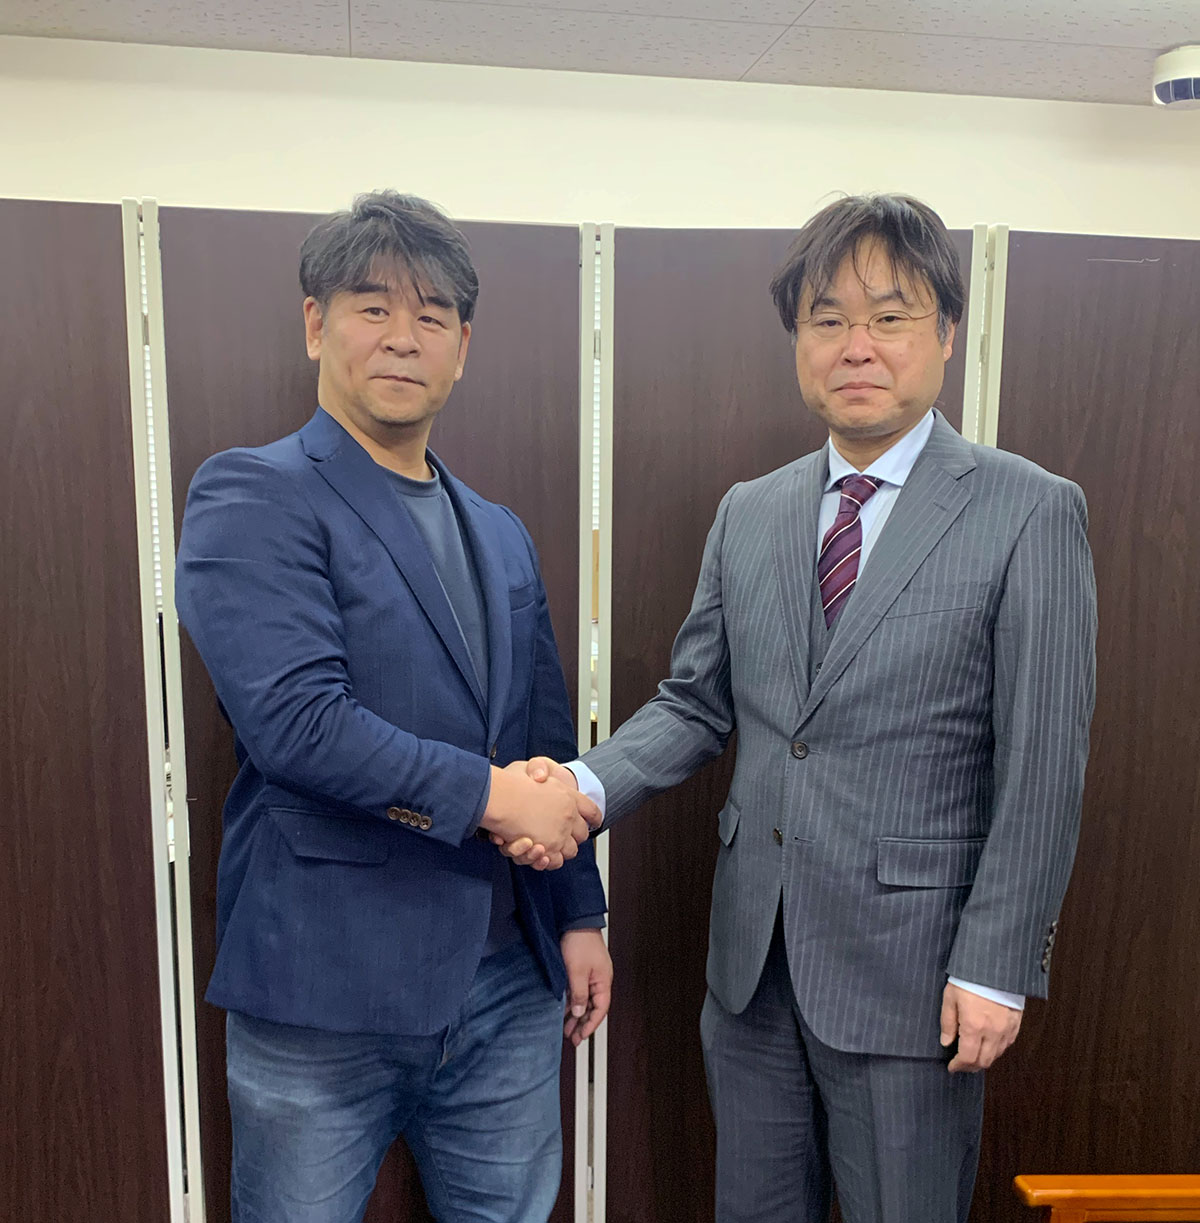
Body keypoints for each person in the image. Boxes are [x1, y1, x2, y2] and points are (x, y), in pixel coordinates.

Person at [503, 194, 1097, 1223]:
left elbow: (1042, 762)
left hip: (916, 976)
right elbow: (695, 703)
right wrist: (584, 787)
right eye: (828, 319)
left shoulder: (1029, 508)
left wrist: (998, 965)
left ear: (946, 333)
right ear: (798, 342)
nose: (856, 345)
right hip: (752, 968)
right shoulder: (752, 510)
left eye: (890, 316)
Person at [175, 189, 610, 1223]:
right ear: (316, 324)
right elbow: (298, 722)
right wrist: (494, 798)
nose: (403, 337)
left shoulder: (499, 529)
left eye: (431, 315)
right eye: (372, 307)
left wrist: (578, 912)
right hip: (324, 996)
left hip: (507, 988)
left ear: (463, 346)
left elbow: (542, 737)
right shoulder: (253, 493)